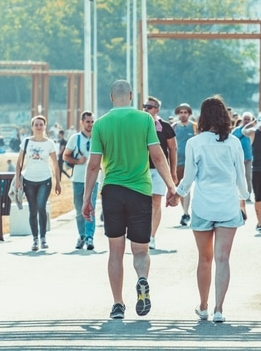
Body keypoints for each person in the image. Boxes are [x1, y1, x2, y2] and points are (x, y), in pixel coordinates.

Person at [82, 80, 178, 320]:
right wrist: (171, 186)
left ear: (111, 97)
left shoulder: (101, 124)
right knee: (140, 249)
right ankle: (142, 279)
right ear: (132, 96)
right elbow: (157, 156)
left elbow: (93, 165)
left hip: (113, 191)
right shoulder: (145, 120)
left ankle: (117, 304)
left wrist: (87, 199)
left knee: (116, 251)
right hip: (140, 191)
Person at [175, 96, 248, 323]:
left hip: (203, 206)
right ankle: (219, 309)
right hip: (228, 205)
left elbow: (188, 179)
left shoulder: (194, 143)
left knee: (204, 259)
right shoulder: (233, 142)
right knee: (223, 259)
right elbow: (241, 177)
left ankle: (204, 306)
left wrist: (176, 194)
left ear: (203, 116)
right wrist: (244, 198)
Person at [13, 115, 62, 252]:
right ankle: (35, 239)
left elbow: (55, 164)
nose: (39, 127)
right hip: (29, 180)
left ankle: (43, 237)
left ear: (45, 126)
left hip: (45, 179)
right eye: (36, 125)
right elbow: (19, 163)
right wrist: (18, 180)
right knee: (32, 209)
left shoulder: (50, 143)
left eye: (41, 124)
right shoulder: (26, 142)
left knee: (41, 206)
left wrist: (58, 182)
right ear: (32, 127)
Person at [144, 96, 177, 250]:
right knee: (141, 203)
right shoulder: (139, 125)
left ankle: (151, 236)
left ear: (157, 109)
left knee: (156, 202)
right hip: (141, 169)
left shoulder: (164, 127)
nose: (146, 109)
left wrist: (172, 172)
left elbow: (173, 149)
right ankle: (140, 234)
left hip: (158, 170)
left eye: (149, 107)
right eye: (144, 106)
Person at [63, 111, 97, 250]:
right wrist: (77, 161)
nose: (90, 124)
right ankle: (82, 235)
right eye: (87, 121)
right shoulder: (75, 138)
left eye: (92, 121)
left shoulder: (98, 137)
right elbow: (65, 156)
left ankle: (90, 237)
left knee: (91, 207)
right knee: (79, 209)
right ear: (82, 122)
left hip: (94, 178)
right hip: (78, 178)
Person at [172, 102, 197, 227]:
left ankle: (186, 213)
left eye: (185, 112)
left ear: (189, 114)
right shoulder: (174, 127)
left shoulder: (194, 127)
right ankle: (185, 212)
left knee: (186, 186)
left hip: (191, 162)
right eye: (181, 112)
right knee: (180, 187)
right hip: (177, 161)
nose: (183, 115)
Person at [233, 112, 255, 201]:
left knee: (248, 177)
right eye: (245, 119)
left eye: (248, 119)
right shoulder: (236, 131)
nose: (246, 121)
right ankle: (237, 195)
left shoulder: (253, 131)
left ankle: (248, 195)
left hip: (249, 158)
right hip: (237, 158)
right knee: (237, 177)